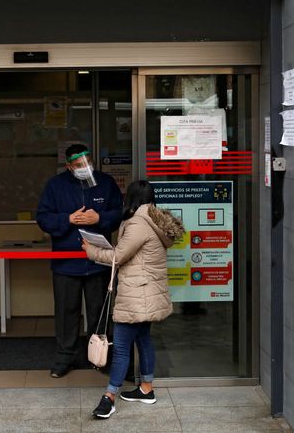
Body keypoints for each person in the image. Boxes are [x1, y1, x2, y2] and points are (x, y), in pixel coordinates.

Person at [82, 180, 184, 419]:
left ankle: (109, 397)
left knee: (121, 347)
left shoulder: (138, 222)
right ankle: (146, 388)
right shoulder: (153, 218)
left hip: (136, 294)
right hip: (146, 292)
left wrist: (91, 251)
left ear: (132, 198)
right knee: (144, 340)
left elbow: (119, 255)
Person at [37, 143, 123, 378]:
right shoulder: (56, 186)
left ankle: (100, 357)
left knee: (99, 312)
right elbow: (43, 218)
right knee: (66, 312)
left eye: (87, 163)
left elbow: (120, 213)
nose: (84, 168)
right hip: (66, 264)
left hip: (99, 262)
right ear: (68, 166)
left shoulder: (105, 183)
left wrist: (100, 217)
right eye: (78, 165)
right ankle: (65, 358)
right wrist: (68, 219)